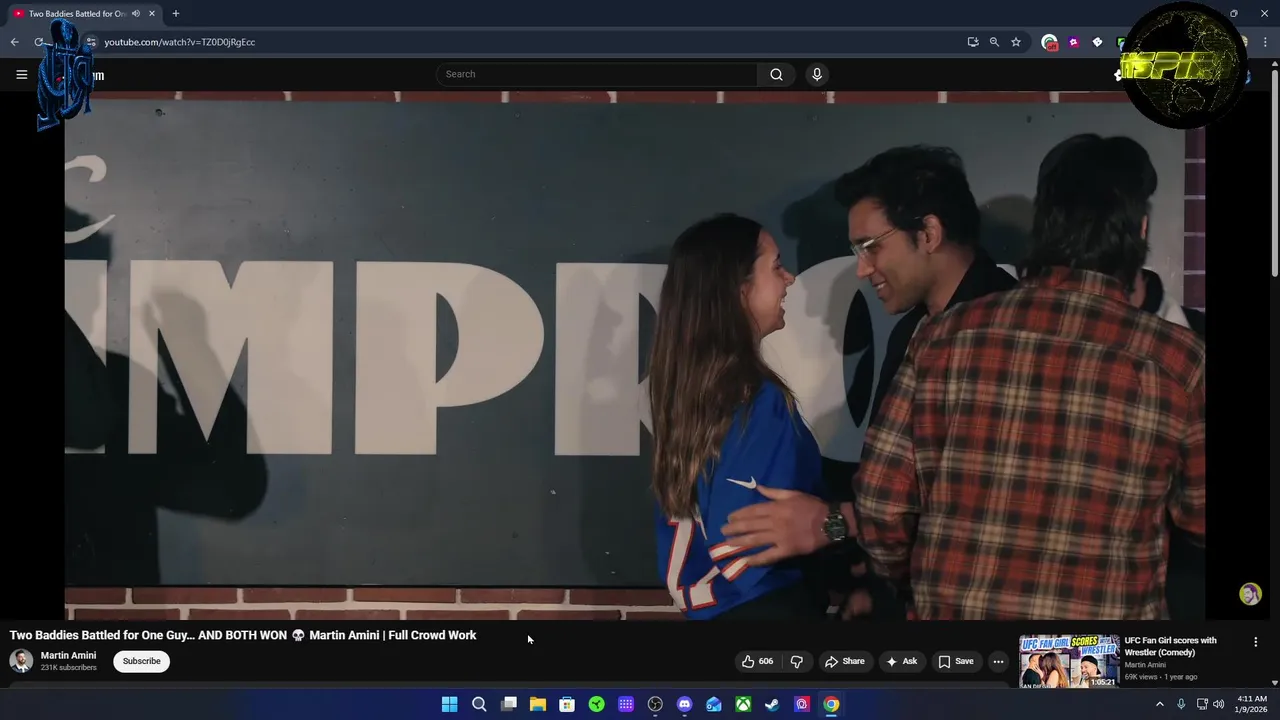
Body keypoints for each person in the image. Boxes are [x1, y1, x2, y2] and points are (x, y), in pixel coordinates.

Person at [724, 134, 1206, 620]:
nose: (862, 269)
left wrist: (900, 580)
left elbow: (883, 504)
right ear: (1140, 228)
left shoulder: (944, 335)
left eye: (870, 247)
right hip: (1090, 654)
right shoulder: (1177, 358)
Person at [717, 146, 1015, 617]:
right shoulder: (910, 332)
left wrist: (830, 524)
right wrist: (874, 589)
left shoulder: (1013, 335)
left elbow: (970, 499)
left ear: (929, 233)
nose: (862, 268)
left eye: (871, 246)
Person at [649, 214, 828, 620]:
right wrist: (839, 528)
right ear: (740, 289)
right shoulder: (758, 401)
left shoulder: (690, 397)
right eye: (776, 266)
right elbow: (746, 548)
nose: (789, 279)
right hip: (766, 610)